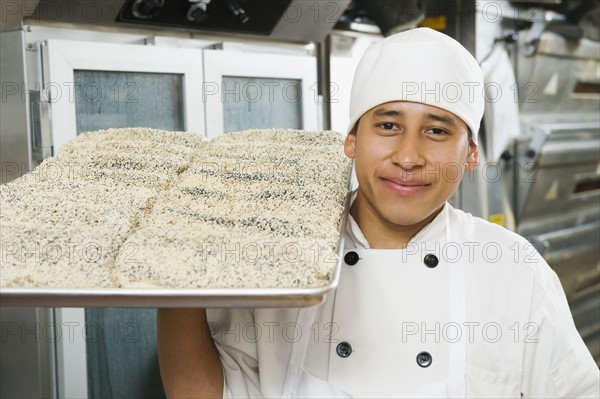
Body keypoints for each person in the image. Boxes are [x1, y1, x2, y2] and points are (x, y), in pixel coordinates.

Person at [157, 28, 600, 398]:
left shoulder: (514, 272)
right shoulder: (278, 260)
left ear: (470, 154)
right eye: (388, 126)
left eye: (436, 130)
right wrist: (171, 274)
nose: (408, 156)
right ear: (351, 140)